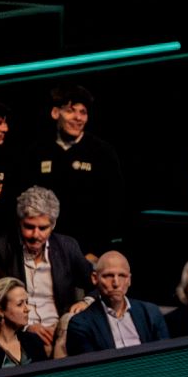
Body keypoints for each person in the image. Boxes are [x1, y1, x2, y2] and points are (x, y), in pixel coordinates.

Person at [0, 187, 94, 352]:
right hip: (20, 332)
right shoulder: (1, 248)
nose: (36, 235)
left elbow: (97, 284)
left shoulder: (67, 246)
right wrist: (26, 326)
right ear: (19, 223)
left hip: (63, 328)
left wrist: (85, 302)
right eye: (29, 227)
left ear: (53, 225)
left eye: (43, 228)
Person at [35, 81, 123, 251]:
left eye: (83, 112)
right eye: (71, 111)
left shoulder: (102, 152)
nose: (78, 118)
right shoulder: (37, 151)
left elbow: (115, 206)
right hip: (44, 249)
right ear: (55, 113)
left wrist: (97, 250)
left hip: (89, 251)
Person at [65, 252, 170, 353]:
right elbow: (89, 364)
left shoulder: (151, 313)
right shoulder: (80, 324)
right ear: (95, 278)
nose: (116, 283)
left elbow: (165, 357)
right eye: (108, 276)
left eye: (122, 276)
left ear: (129, 280)